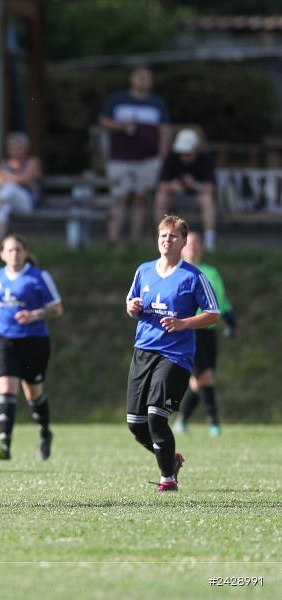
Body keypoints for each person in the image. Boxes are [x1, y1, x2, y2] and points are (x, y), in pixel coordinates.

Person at [124, 215, 219, 492]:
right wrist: (132, 308)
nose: (167, 240)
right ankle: (171, 459)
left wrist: (183, 323)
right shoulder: (144, 270)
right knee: (135, 423)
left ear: (183, 241)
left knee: (156, 415)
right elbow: (130, 302)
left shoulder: (193, 276)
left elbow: (213, 313)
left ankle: (168, 479)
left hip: (175, 355)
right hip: (143, 351)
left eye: (173, 236)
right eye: (163, 235)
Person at [0, 234, 63, 460]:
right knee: (6, 389)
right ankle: (5, 444)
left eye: (18, 250)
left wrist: (34, 315)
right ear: (2, 254)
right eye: (10, 250)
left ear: (25, 253)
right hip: (5, 340)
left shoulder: (39, 277)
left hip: (34, 341)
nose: (14, 254)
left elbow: (56, 308)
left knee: (33, 393)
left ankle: (45, 432)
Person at [174, 231, 237, 437]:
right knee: (205, 377)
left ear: (201, 247)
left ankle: (182, 420)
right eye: (189, 243)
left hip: (209, 332)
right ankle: (214, 422)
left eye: (196, 243)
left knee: (199, 381)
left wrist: (230, 320)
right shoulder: (176, 272)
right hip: (189, 332)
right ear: (182, 247)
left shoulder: (211, 272)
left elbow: (221, 299)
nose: (193, 246)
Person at [99, 66, 171, 245]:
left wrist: (162, 155)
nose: (143, 81)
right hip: (120, 160)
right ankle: (113, 240)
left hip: (148, 160)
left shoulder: (157, 103)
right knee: (119, 197)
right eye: (140, 77)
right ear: (131, 79)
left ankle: (134, 241)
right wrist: (122, 125)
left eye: (147, 78)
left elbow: (165, 129)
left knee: (141, 199)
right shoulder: (117, 100)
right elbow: (103, 122)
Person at [154, 129, 217, 251]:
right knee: (161, 198)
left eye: (187, 153)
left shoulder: (205, 159)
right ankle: (161, 236)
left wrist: (194, 185)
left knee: (207, 199)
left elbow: (210, 187)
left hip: (196, 197)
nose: (183, 156)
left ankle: (209, 239)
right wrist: (173, 186)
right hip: (174, 196)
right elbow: (161, 185)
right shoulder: (171, 158)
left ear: (196, 150)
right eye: (181, 153)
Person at [0, 132, 42, 240]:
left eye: (18, 147)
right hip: (9, 201)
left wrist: (8, 177)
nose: (15, 150)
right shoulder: (5, 163)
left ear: (25, 148)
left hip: (27, 203)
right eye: (12, 147)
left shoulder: (32, 161)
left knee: (10, 188)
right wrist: (15, 178)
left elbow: (25, 179)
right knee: (2, 208)